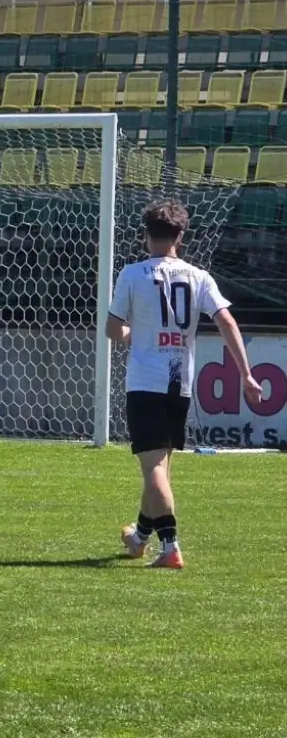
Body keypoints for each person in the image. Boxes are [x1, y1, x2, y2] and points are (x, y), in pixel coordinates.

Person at [106, 198, 262, 568]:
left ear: (146, 235)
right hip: (180, 382)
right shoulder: (199, 276)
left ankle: (170, 546)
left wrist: (133, 335)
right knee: (160, 464)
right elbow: (227, 321)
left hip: (147, 380)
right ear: (181, 235)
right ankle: (139, 536)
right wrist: (246, 374)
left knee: (154, 467)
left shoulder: (132, 273)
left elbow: (113, 329)